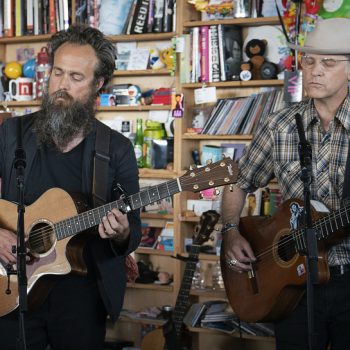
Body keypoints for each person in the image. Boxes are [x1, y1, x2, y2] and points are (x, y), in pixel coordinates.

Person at [0, 25, 141, 350]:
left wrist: (120, 233)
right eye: (58, 72)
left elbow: (133, 229)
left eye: (76, 77)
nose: (61, 85)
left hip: (82, 297)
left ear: (98, 84)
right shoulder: (13, 134)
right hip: (11, 287)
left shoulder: (115, 148)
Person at [221, 17, 350, 349]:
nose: (315, 70)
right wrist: (231, 231)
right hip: (291, 286)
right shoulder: (279, 124)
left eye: (329, 63)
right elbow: (238, 180)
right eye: (309, 61)